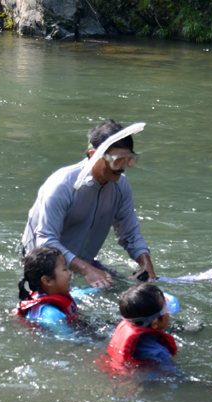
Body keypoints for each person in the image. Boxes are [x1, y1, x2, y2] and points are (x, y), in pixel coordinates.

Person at [21, 119, 156, 290]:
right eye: (117, 160)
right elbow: (45, 242)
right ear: (93, 155)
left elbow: (129, 234)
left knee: (138, 293)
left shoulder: (121, 186)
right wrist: (87, 270)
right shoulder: (62, 185)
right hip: (45, 272)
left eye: (129, 160)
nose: (123, 167)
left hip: (82, 264)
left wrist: (145, 263)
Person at [15, 246, 95, 334]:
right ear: (47, 281)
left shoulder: (47, 292)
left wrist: (99, 288)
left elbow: (77, 294)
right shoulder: (52, 315)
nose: (69, 273)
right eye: (64, 269)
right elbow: (69, 341)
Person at [106, 283, 179, 366]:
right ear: (154, 323)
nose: (169, 314)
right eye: (167, 309)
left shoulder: (129, 323)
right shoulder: (159, 352)